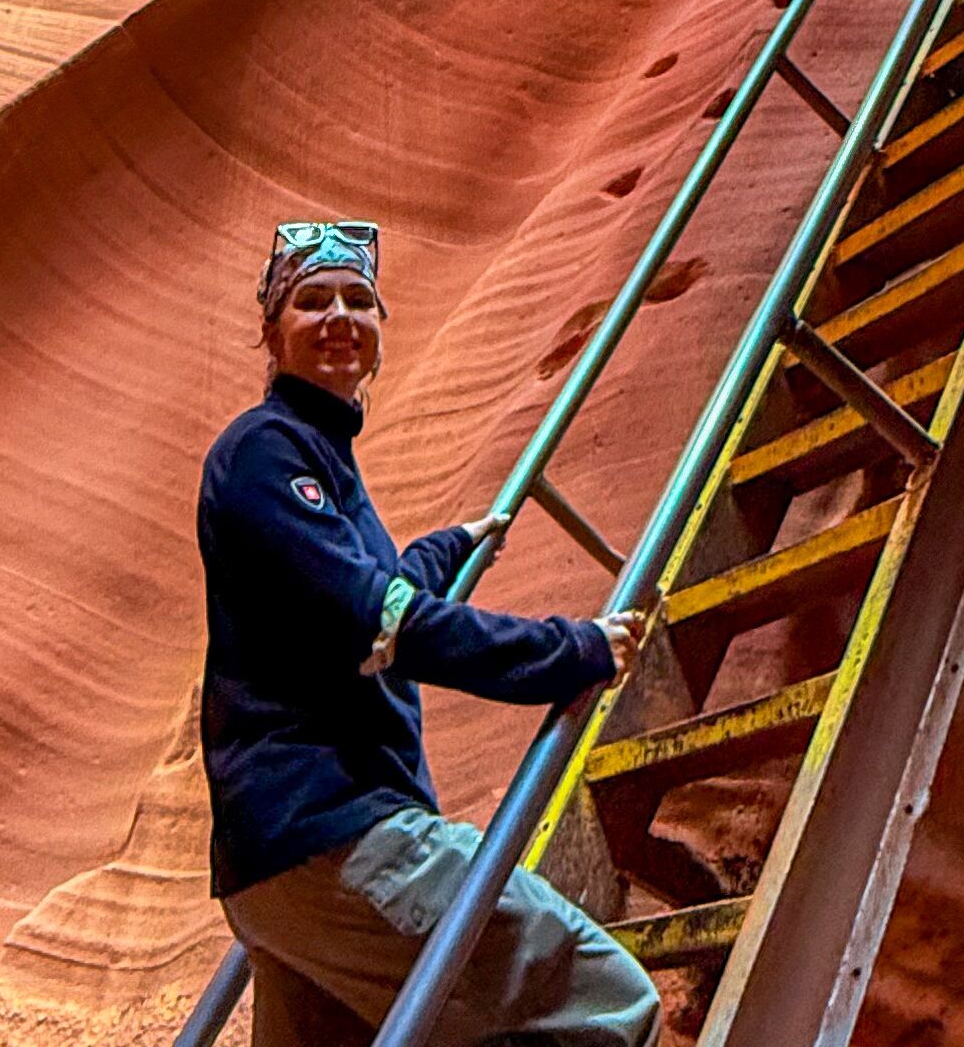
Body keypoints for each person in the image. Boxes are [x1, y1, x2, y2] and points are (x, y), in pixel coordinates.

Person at [196, 219, 663, 1047]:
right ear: (272, 332)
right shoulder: (265, 450)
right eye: (311, 301)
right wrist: (571, 651)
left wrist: (451, 546)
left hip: (284, 865)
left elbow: (361, 591)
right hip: (335, 832)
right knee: (603, 1000)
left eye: (358, 300)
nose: (339, 316)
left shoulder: (320, 463)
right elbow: (378, 618)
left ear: (380, 331)